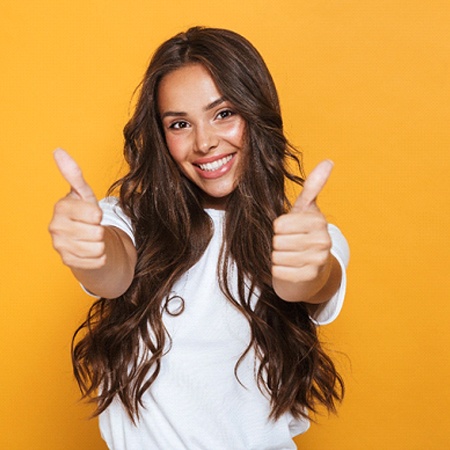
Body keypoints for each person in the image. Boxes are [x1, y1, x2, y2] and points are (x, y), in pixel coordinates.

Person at [49, 26, 349, 450]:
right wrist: (90, 249)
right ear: (160, 135)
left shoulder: (310, 237)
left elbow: (308, 281)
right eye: (179, 123)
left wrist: (308, 265)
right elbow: (112, 271)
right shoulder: (129, 220)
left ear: (256, 114)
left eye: (224, 113)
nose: (204, 142)